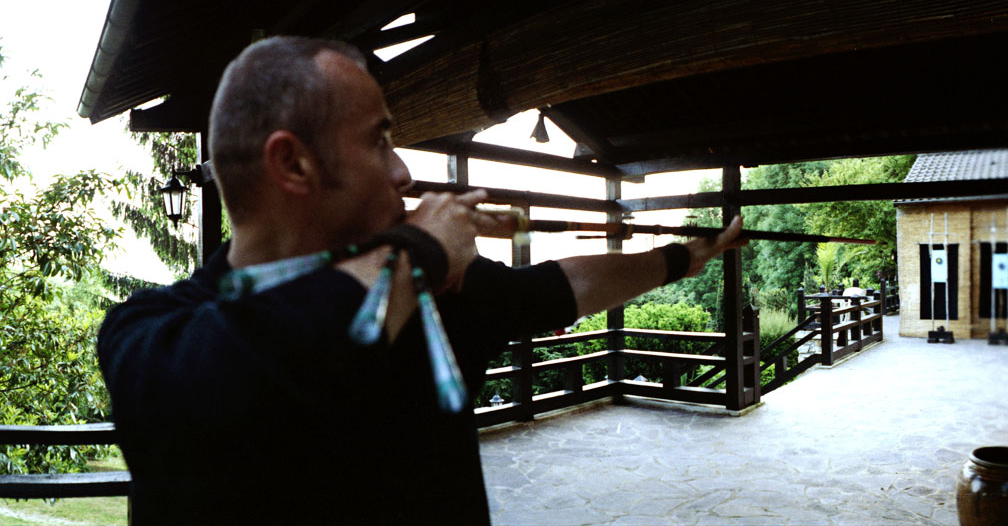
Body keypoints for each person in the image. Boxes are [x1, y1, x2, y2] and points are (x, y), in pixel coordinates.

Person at [96, 36, 745, 524]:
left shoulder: (436, 296)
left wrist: (683, 257)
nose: (403, 173)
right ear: (292, 163)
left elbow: (565, 283)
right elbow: (259, 370)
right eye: (379, 141)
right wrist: (420, 250)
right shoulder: (154, 335)